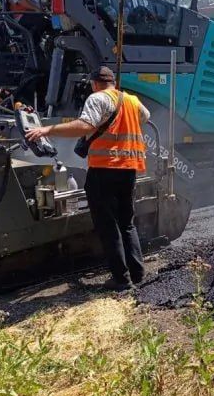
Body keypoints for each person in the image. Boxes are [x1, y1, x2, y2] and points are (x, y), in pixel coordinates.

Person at [25, 66, 150, 290]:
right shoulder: (131, 100)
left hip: (104, 169)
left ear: (94, 83)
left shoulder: (97, 98)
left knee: (108, 225)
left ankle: (121, 280)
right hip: (129, 168)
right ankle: (138, 273)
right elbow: (145, 116)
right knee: (126, 223)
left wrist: (47, 130)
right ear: (113, 82)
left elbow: (84, 126)